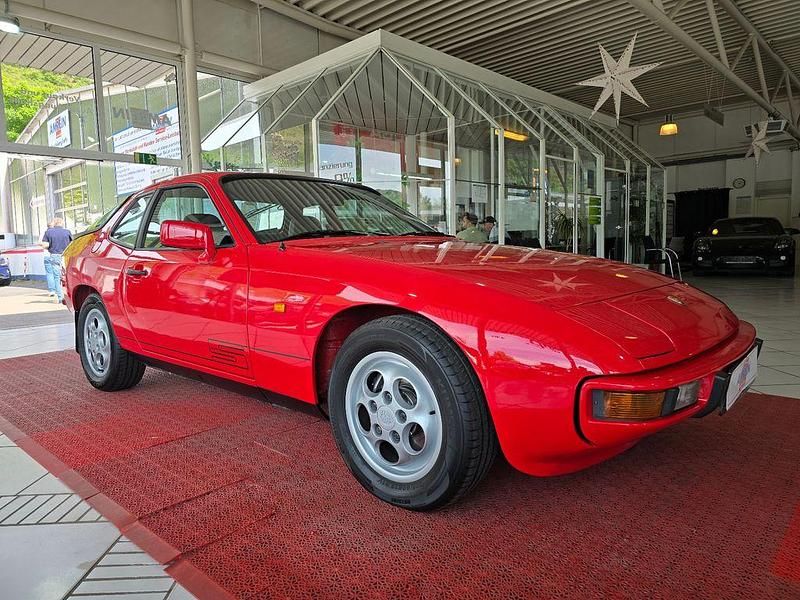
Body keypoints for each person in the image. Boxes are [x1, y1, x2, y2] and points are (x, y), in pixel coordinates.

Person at [40, 217, 72, 304]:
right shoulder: (67, 232)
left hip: (54, 256)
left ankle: (61, 297)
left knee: (57, 277)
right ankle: (70, 296)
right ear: (62, 223)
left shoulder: (48, 232)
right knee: (68, 276)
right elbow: (71, 244)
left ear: (54, 223)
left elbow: (45, 245)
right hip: (66, 255)